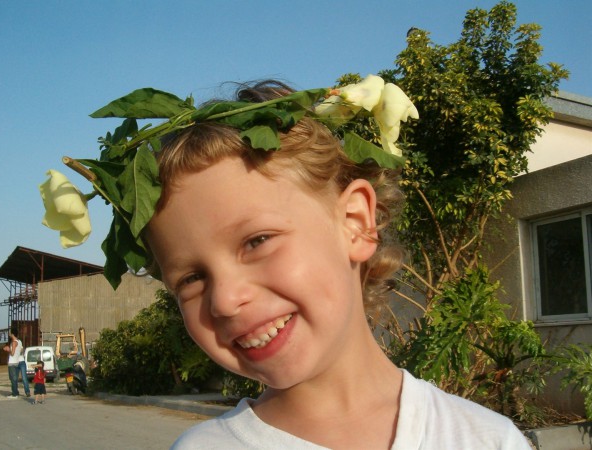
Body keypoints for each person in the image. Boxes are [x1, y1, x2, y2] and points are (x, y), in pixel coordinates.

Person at [42, 76, 531, 449]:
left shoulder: (485, 439)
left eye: (257, 241)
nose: (227, 300)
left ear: (356, 222)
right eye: (190, 278)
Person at [3, 328, 30, 398]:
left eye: (10, 333)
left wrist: (9, 350)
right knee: (16, 378)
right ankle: (16, 392)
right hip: (17, 361)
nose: (9, 334)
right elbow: (20, 350)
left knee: (16, 378)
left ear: (12, 334)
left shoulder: (15, 342)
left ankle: (18, 393)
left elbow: (13, 353)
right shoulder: (19, 342)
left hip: (17, 362)